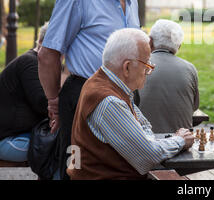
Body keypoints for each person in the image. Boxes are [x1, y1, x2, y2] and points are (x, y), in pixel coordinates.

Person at [38, 0, 146, 179]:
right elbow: (48, 54)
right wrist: (54, 101)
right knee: (76, 167)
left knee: (119, 170)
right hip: (84, 96)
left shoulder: (131, 0)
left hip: (123, 98)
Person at [67, 28, 194, 179]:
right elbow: (148, 155)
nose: (149, 70)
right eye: (146, 64)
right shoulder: (109, 101)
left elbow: (145, 128)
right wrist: (180, 140)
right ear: (127, 67)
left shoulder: (105, 83)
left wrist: (147, 141)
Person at [139, 19, 199, 133]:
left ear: (150, 41)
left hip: (146, 142)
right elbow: (194, 107)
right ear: (179, 46)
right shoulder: (190, 69)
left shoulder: (139, 66)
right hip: (182, 142)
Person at [0, 23, 49, 162]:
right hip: (7, 140)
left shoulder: (39, 63)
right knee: (56, 148)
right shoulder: (30, 62)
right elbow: (42, 104)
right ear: (40, 42)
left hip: (18, 134)